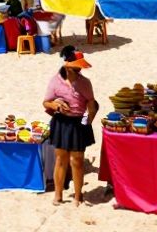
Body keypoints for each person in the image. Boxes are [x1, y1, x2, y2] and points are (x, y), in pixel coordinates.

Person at [44, 46, 97, 206]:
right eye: (76, 67)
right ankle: (58, 195)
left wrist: (88, 121)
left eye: (80, 67)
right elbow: (46, 102)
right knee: (61, 159)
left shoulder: (85, 83)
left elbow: (91, 104)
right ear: (67, 66)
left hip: (78, 122)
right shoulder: (55, 81)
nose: (79, 70)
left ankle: (78, 196)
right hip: (61, 122)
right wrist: (56, 105)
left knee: (77, 160)